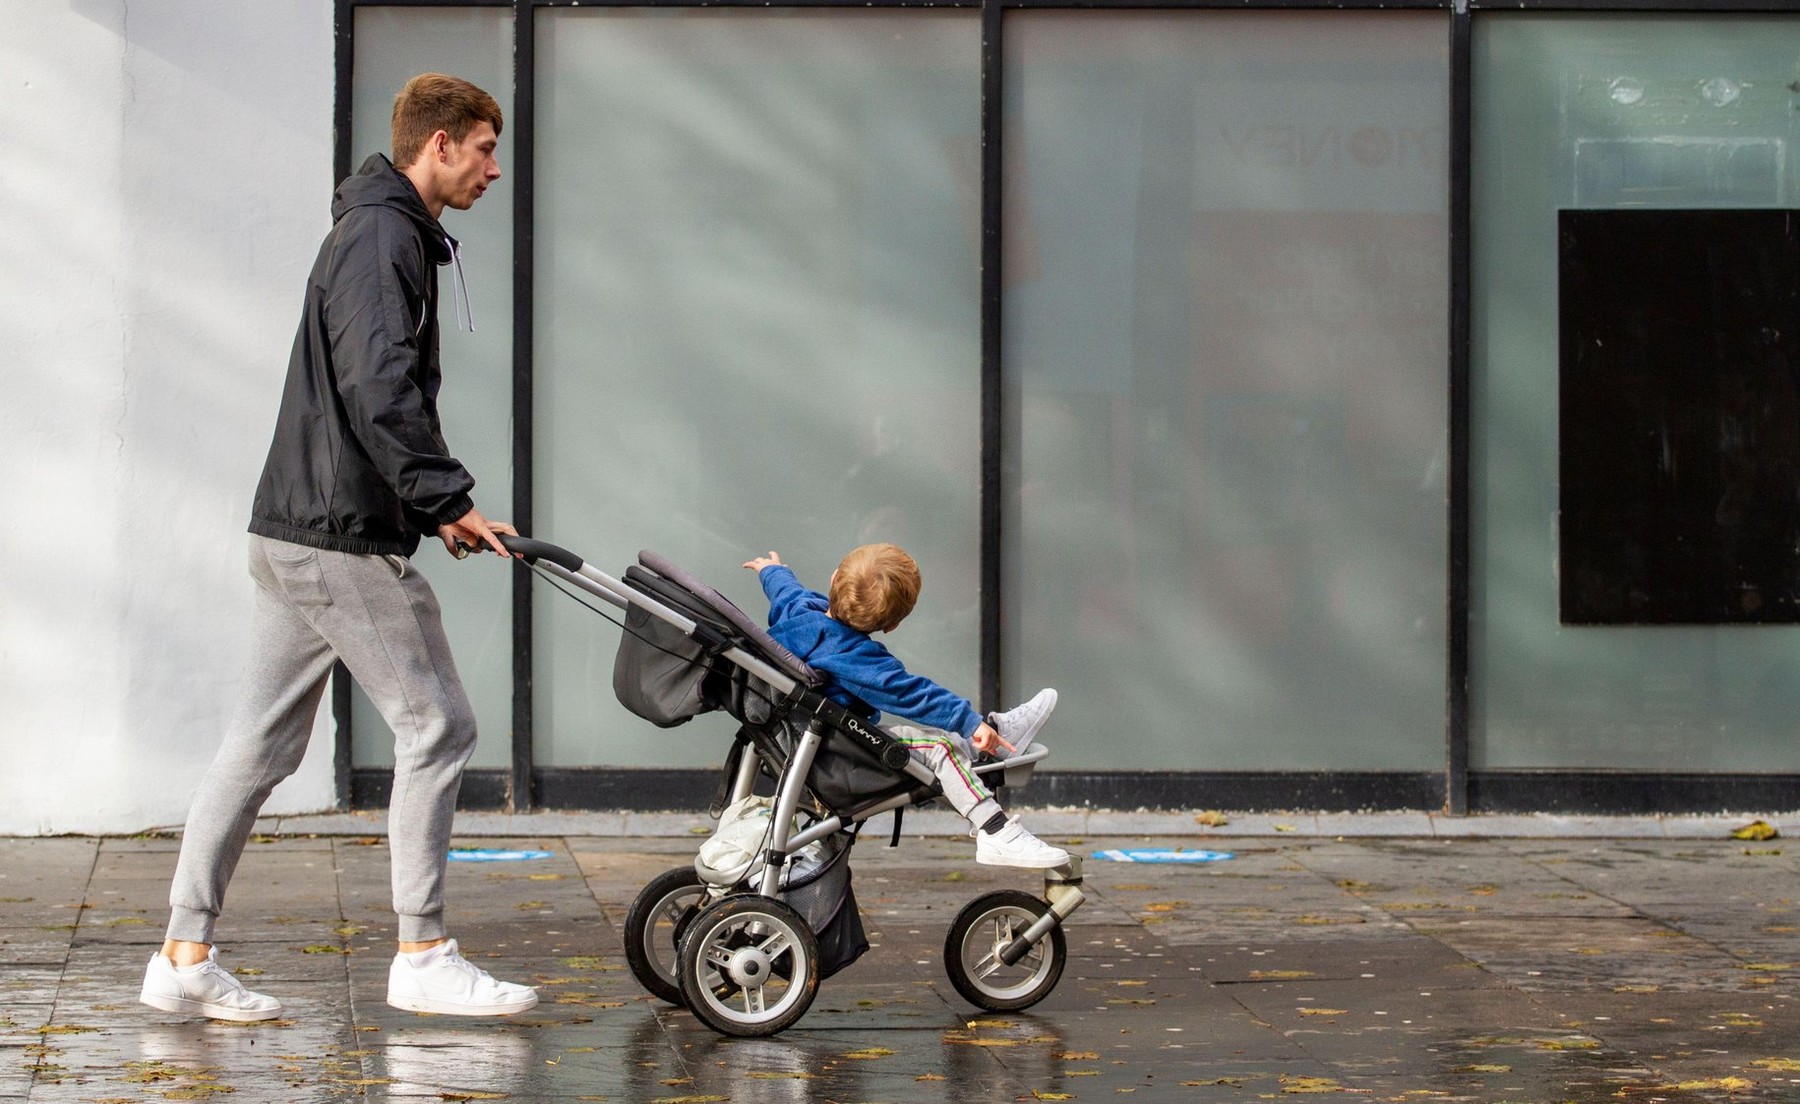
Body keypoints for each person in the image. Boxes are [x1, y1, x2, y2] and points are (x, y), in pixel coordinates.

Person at [140, 74, 536, 1023]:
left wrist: (434, 509)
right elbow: (378, 382)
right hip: (335, 541)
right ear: (438, 144)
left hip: (293, 530)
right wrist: (444, 493)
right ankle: (423, 951)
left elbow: (368, 393)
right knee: (437, 725)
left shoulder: (379, 231)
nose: (493, 168)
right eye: (484, 148)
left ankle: (182, 956)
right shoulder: (383, 237)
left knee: (259, 744)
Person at [744, 545, 1068, 868]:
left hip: (800, 742)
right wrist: (967, 720)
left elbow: (786, 593)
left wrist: (772, 570)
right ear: (892, 625)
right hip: (835, 755)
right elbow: (912, 695)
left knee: (929, 742)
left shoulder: (800, 613)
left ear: (833, 579)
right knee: (938, 748)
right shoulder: (855, 657)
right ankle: (995, 831)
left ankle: (993, 736)